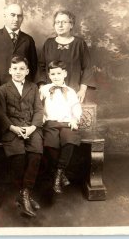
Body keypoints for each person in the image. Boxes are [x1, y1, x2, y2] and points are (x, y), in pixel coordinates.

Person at [0, 56, 43, 217]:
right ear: (10, 71)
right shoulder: (3, 89)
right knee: (19, 157)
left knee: (36, 153)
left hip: (30, 128)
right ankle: (25, 196)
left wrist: (32, 127)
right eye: (15, 69)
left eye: (22, 69)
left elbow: (38, 110)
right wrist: (13, 128)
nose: (18, 72)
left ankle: (25, 194)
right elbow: (0, 113)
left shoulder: (33, 87)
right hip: (12, 129)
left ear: (27, 71)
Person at [39, 60, 82, 194]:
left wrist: (75, 119)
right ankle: (61, 173)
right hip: (50, 123)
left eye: (59, 73)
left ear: (64, 74)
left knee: (69, 140)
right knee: (50, 144)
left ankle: (58, 174)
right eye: (53, 74)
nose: (56, 76)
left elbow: (76, 107)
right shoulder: (45, 89)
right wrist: (41, 118)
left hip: (67, 123)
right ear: (49, 75)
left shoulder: (70, 91)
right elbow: (38, 106)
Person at [38, 10, 94, 103]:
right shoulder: (49, 43)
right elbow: (40, 67)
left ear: (71, 25)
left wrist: (82, 90)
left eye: (64, 22)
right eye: (57, 22)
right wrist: (42, 87)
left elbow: (87, 68)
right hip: (51, 92)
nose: (60, 25)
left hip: (73, 92)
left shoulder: (79, 43)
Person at [0, 3, 37, 86]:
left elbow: (34, 67)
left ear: (22, 18)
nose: (16, 19)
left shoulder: (28, 40)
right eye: (12, 15)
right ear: (5, 16)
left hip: (22, 90)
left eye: (19, 16)